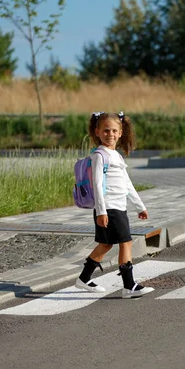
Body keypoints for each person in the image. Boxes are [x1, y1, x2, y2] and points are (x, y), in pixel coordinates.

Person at [74, 111, 154, 299]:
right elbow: (97, 185)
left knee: (106, 244)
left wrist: (139, 206)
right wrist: (101, 211)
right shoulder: (99, 156)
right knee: (125, 242)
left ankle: (84, 279)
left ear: (120, 133)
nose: (110, 134)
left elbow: (127, 184)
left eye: (114, 131)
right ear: (97, 132)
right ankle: (129, 286)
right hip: (109, 208)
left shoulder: (116, 156)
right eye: (106, 130)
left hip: (119, 207)